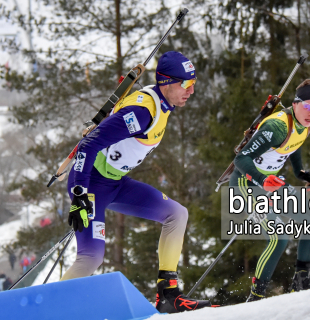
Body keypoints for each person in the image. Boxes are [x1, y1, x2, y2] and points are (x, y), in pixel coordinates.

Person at [62, 51, 210, 313]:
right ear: (166, 83)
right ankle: (54, 310)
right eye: (186, 84)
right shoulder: (142, 112)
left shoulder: (163, 103)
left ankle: (168, 295)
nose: (191, 90)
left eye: (193, 83)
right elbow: (88, 145)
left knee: (177, 214)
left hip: (115, 183)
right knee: (92, 257)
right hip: (90, 185)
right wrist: (79, 195)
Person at [230, 79, 310, 301]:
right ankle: (256, 297)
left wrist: (300, 172)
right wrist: (262, 180)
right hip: (248, 184)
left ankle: (300, 282)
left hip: (272, 181)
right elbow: (240, 159)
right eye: (308, 106)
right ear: (295, 104)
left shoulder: (308, 122)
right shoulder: (276, 126)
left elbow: (294, 144)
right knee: (279, 237)